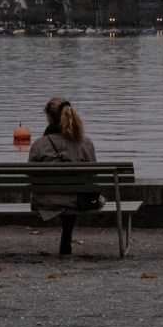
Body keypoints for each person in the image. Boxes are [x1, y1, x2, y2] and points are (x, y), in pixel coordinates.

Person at [27, 97, 104, 255]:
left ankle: (66, 237)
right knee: (74, 195)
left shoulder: (39, 144)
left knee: (63, 196)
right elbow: (93, 174)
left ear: (49, 117)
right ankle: (66, 236)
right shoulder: (85, 143)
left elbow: (30, 175)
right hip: (77, 200)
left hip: (45, 200)